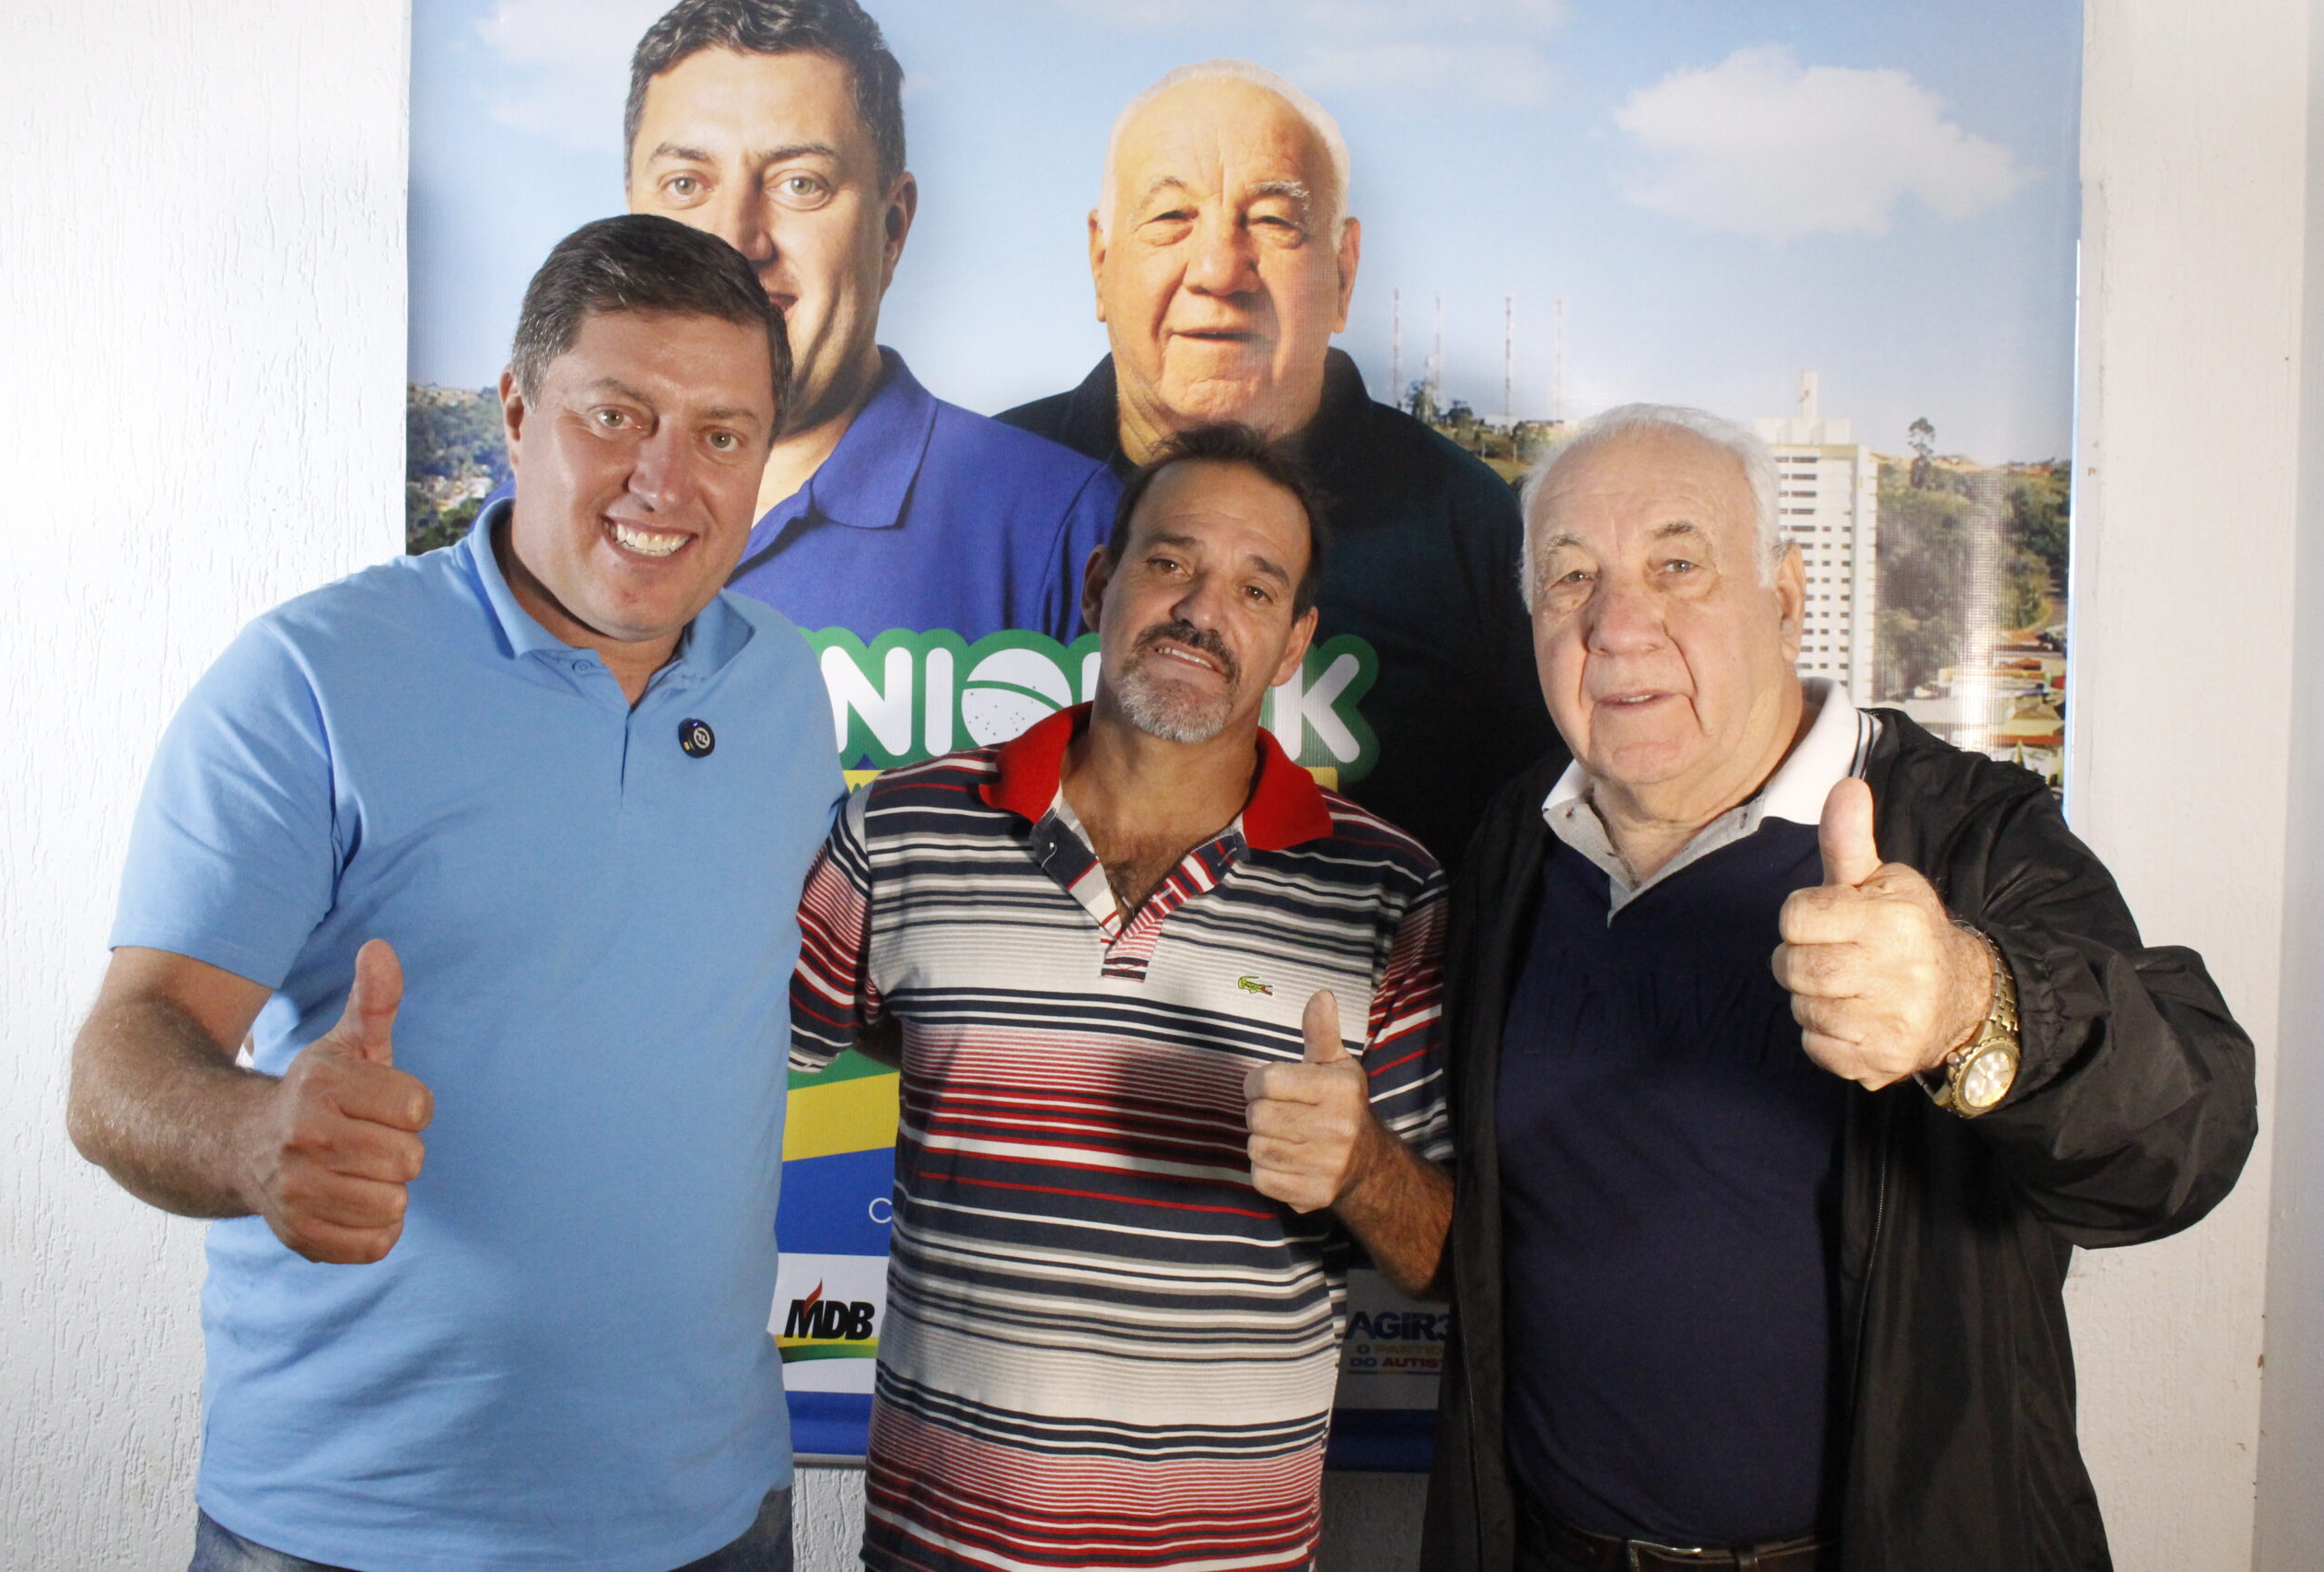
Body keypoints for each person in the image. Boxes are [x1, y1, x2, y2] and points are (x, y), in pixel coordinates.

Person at [65, 215, 842, 1572]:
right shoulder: (307, 678)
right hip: (352, 1525)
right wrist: (256, 1135)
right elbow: (120, 1058)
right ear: (517, 413)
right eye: (617, 415)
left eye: (722, 434)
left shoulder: (781, 684)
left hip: (714, 1510)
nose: (666, 480)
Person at [1419, 404, 2259, 1571]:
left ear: (1783, 594)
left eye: (1676, 566)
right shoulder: (1519, 839)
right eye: (1571, 578)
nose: (1616, 625)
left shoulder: (1969, 833)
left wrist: (1971, 1004)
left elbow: (2184, 1140)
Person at [792, 424, 1455, 1571]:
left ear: (1293, 644)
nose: (1202, 611)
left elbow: (1437, 1254)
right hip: (938, 1549)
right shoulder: (900, 830)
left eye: (1255, 589)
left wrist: (1356, 1165)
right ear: (1100, 582)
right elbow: (735, 1063)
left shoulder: (1387, 888)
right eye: (1169, 562)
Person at [999, 60, 1555, 868]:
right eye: (1171, 217)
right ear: (1100, 261)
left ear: (1343, 271)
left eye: (1272, 221)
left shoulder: (1471, 526)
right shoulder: (981, 490)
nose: (1219, 271)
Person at [623, 0, 1119, 641]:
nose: (735, 242)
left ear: (891, 228)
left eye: (800, 183)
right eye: (686, 184)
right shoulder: (527, 532)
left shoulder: (1065, 533)